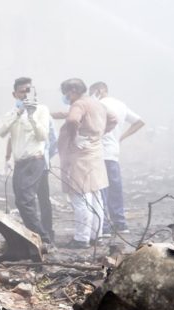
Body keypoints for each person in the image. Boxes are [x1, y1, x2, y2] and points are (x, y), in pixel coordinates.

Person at [57, 78, 117, 249]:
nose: (66, 97)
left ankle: (81, 238)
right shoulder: (96, 103)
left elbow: (72, 120)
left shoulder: (79, 104)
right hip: (95, 153)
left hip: (80, 157)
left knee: (80, 197)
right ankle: (95, 235)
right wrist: (98, 134)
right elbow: (113, 119)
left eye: (66, 93)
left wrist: (75, 135)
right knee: (95, 195)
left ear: (72, 90)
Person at [0, 77, 53, 246]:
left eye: (28, 90)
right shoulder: (12, 112)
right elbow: (2, 132)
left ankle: (42, 239)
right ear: (15, 94)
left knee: (27, 200)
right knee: (21, 200)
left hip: (35, 160)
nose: (25, 94)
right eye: (22, 91)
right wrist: (19, 113)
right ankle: (38, 235)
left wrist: (31, 116)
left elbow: (43, 136)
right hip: (20, 163)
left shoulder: (41, 110)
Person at [89, 82, 145, 236]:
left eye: (92, 91)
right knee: (115, 188)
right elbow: (139, 122)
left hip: (99, 151)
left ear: (100, 90)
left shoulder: (97, 104)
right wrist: (121, 137)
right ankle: (120, 224)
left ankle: (105, 226)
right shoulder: (121, 104)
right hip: (113, 152)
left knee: (101, 189)